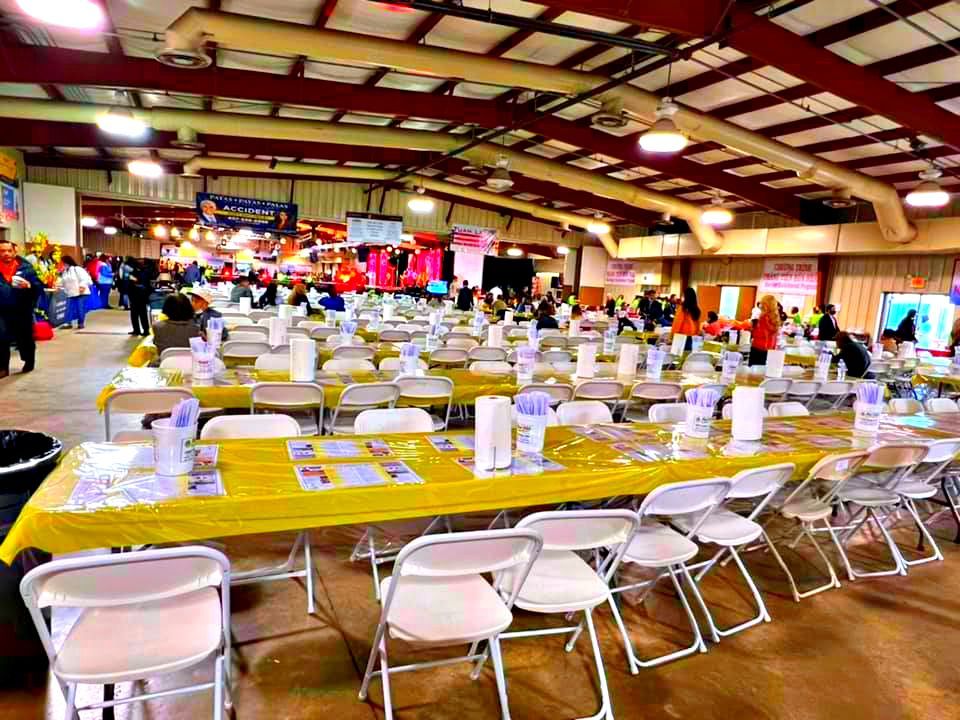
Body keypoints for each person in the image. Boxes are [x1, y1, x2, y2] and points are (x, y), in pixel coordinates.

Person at [0, 238, 42, 378]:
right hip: (1, 311)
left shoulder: (26, 268)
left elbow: (38, 287)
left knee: (25, 338)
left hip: (21, 310)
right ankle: (3, 367)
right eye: (2, 251)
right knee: (1, 337)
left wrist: (29, 287)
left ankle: (29, 360)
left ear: (14, 251)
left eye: (8, 251)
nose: (5, 253)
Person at [152, 293, 201, 357]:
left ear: (166, 308)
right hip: (190, 363)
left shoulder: (157, 327)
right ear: (188, 307)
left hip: (165, 364)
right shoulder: (196, 329)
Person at [59, 256, 93, 330]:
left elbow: (85, 278)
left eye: (62, 262)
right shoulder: (65, 272)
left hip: (81, 292)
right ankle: (68, 323)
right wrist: (57, 285)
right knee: (68, 308)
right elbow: (63, 282)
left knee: (80, 308)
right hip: (71, 293)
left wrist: (82, 286)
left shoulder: (77, 269)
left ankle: (80, 323)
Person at [750, 294, 781, 366]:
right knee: (763, 371)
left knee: (753, 372)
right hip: (770, 348)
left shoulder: (764, 317)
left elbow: (760, 334)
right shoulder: (775, 317)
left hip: (759, 347)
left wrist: (753, 328)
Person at [126, 258, 153, 337]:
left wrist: (134, 281)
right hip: (141, 296)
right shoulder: (146, 272)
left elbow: (136, 283)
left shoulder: (136, 272)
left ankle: (138, 330)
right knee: (142, 314)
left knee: (136, 314)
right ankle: (144, 330)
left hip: (136, 296)